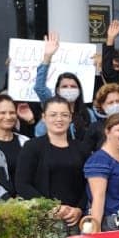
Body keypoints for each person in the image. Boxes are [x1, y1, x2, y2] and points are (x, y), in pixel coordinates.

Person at [15, 96, 91, 230]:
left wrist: (79, 208)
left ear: (70, 117)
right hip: (43, 220)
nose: (59, 119)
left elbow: (89, 184)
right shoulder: (32, 146)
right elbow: (22, 184)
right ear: (44, 117)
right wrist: (50, 207)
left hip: (75, 219)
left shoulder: (82, 148)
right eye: (53, 115)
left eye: (64, 115)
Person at [34, 32, 92, 139]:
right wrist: (47, 57)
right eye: (64, 86)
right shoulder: (50, 104)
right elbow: (39, 87)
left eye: (73, 86)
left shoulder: (88, 114)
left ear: (79, 90)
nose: (69, 89)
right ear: (58, 90)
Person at [82, 83, 119, 152]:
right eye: (110, 103)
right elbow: (86, 153)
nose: (115, 105)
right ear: (102, 106)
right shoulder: (95, 128)